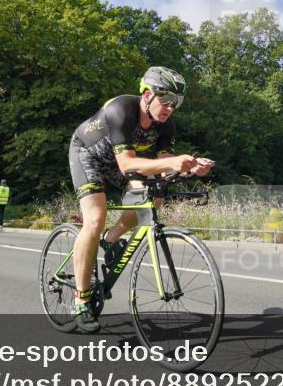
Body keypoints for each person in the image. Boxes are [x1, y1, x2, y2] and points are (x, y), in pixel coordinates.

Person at [67, 66, 214, 332]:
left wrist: (189, 168)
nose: (171, 107)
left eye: (177, 102)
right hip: (89, 156)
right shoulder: (121, 109)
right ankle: (81, 299)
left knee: (154, 197)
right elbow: (126, 165)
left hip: (124, 160)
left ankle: (110, 242)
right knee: (96, 217)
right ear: (147, 95)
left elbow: (160, 165)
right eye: (166, 99)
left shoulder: (166, 124)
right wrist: (174, 161)